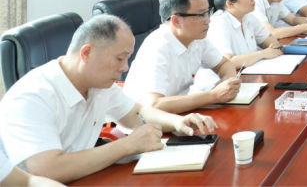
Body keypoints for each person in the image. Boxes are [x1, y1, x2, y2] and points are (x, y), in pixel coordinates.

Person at [0, 15, 217, 183]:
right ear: (86, 53)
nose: (125, 67)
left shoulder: (98, 83)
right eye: (120, 58)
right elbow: (47, 170)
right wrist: (127, 146)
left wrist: (178, 121)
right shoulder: (32, 96)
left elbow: (135, 114)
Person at [123, 0, 241, 114]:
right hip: (144, 121)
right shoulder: (158, 47)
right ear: (176, 21)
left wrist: (227, 83)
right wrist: (213, 95)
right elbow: (155, 105)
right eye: (201, 14)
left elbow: (224, 64)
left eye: (208, 12)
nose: (208, 20)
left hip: (180, 114)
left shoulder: (197, 38)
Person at [205, 0, 284, 75]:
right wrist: (263, 53)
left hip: (253, 74)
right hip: (228, 80)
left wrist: (273, 46)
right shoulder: (218, 23)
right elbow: (227, 62)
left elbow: (268, 38)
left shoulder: (247, 16)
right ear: (230, 4)